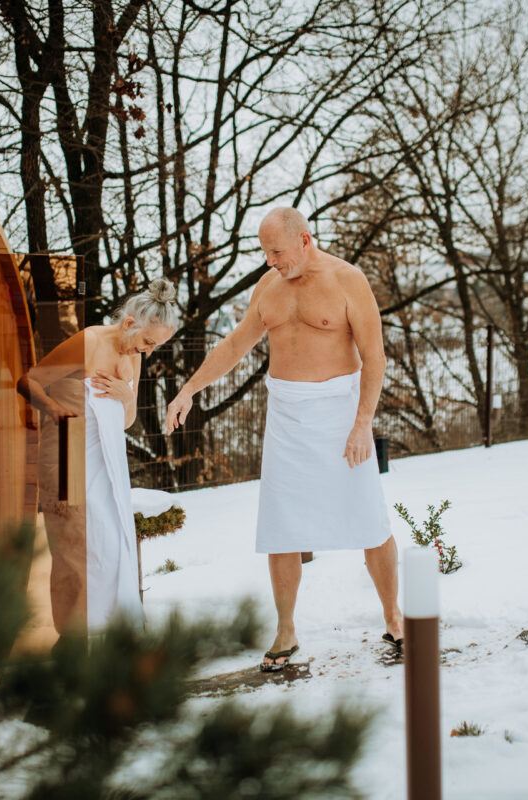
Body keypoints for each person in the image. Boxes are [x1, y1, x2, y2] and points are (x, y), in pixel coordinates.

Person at [165, 208, 403, 671]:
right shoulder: (269, 286)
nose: (270, 260)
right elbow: (235, 345)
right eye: (265, 252)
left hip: (340, 413)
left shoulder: (348, 281)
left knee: (369, 521)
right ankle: (286, 629)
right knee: (281, 528)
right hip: (287, 417)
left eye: (276, 251)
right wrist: (189, 389)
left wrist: (362, 424)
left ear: (305, 240)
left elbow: (375, 358)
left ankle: (394, 617)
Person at [18, 278, 177, 637]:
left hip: (107, 457)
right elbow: (28, 382)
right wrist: (56, 413)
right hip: (66, 450)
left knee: (110, 540)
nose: (148, 352)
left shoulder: (133, 357)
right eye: (148, 342)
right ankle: (72, 641)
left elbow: (127, 420)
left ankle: (108, 634)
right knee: (73, 543)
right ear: (129, 323)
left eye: (157, 346)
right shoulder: (89, 341)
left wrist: (126, 396)